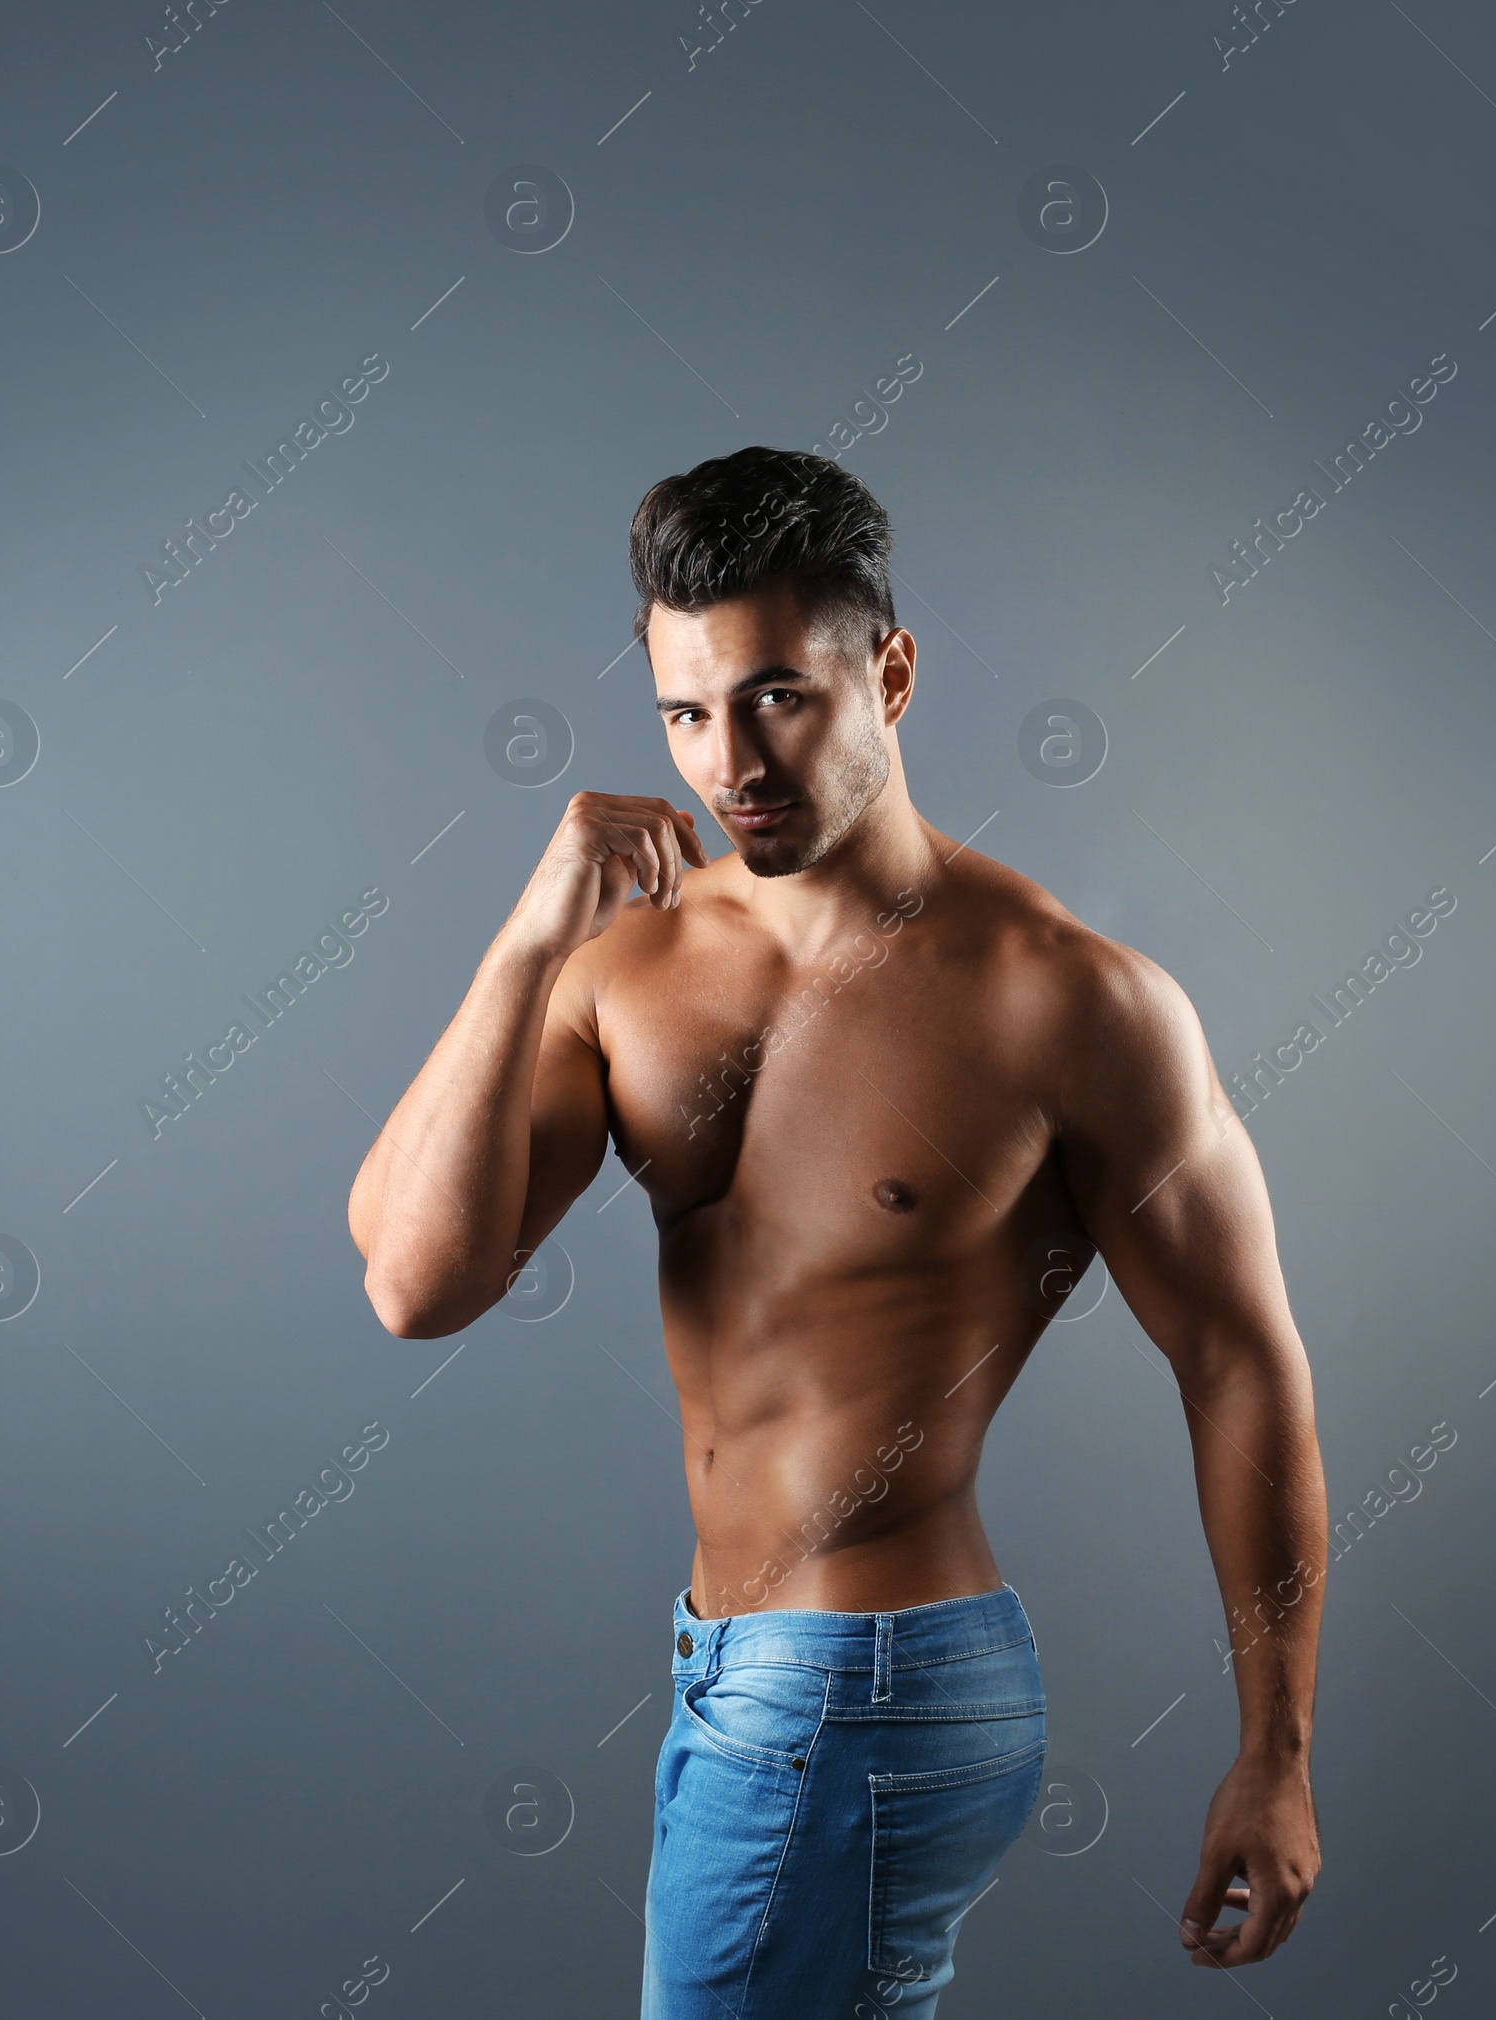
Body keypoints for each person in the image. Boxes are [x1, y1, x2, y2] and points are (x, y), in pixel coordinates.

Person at [347, 447, 1327, 2016]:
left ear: (892, 669)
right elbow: (415, 1275)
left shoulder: (1068, 997)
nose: (728, 760)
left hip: (869, 1682)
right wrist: (531, 933)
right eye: (684, 714)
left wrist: (1273, 1754)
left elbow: (1240, 1362)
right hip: (726, 1675)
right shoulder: (631, 967)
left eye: (776, 699)